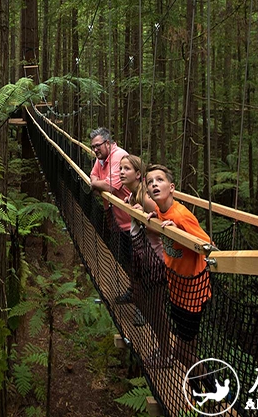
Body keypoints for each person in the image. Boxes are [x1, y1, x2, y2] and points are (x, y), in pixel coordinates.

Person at [144, 164, 212, 379]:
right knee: (187, 349)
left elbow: (208, 245)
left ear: (171, 187)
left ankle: (214, 389)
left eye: (159, 180)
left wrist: (179, 231)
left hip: (193, 293)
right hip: (176, 290)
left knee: (182, 352)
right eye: (150, 182)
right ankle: (200, 392)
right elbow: (157, 215)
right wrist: (148, 216)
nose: (154, 184)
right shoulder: (160, 210)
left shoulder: (181, 216)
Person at [119, 155, 172, 366]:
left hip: (154, 259)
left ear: (138, 174)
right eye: (120, 168)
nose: (121, 172)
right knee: (147, 304)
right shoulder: (134, 194)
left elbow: (158, 225)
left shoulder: (144, 196)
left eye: (126, 169)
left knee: (156, 310)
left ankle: (166, 353)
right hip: (144, 256)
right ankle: (164, 350)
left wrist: (140, 214)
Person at [88, 128, 135, 311]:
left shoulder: (119, 157)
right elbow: (93, 176)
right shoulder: (102, 158)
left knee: (138, 263)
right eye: (92, 147)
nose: (95, 150)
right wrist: (98, 183)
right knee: (127, 260)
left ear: (108, 143)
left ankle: (143, 307)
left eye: (97, 146)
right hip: (116, 218)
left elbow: (111, 186)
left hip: (132, 220)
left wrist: (97, 184)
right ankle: (133, 292)